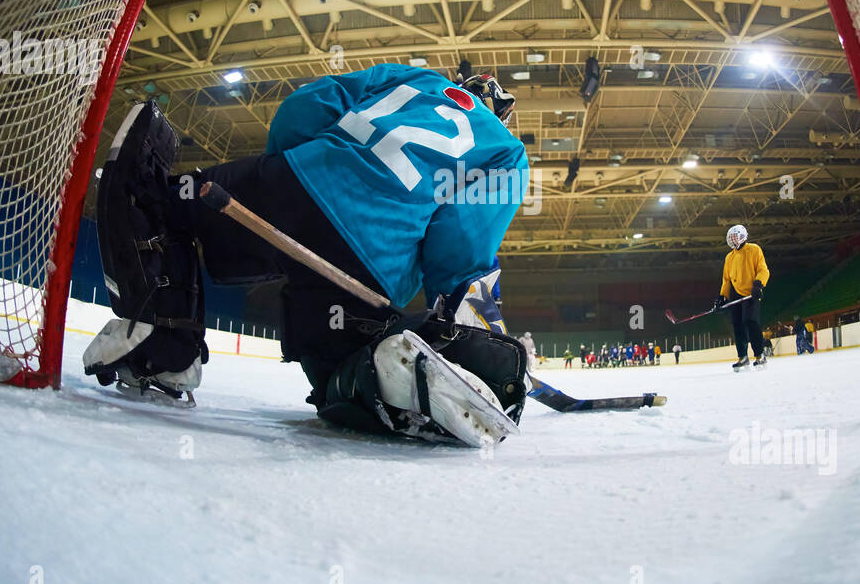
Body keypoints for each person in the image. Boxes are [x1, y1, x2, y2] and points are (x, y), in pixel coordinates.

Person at [84, 63, 532, 447]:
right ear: (500, 112)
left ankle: (165, 352)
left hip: (297, 185)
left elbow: (306, 105)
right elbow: (460, 243)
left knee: (164, 204)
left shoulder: (412, 78)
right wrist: (452, 312)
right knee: (335, 380)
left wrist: (289, 178)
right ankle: (376, 376)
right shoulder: (508, 152)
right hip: (368, 265)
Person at [712, 223, 770, 371]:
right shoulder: (729, 257)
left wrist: (758, 284)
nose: (733, 240)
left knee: (750, 321)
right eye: (730, 238)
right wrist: (722, 297)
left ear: (743, 236)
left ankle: (760, 355)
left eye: (735, 237)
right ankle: (743, 357)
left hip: (751, 293)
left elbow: (763, 270)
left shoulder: (754, 249)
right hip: (736, 294)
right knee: (737, 325)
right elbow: (726, 280)